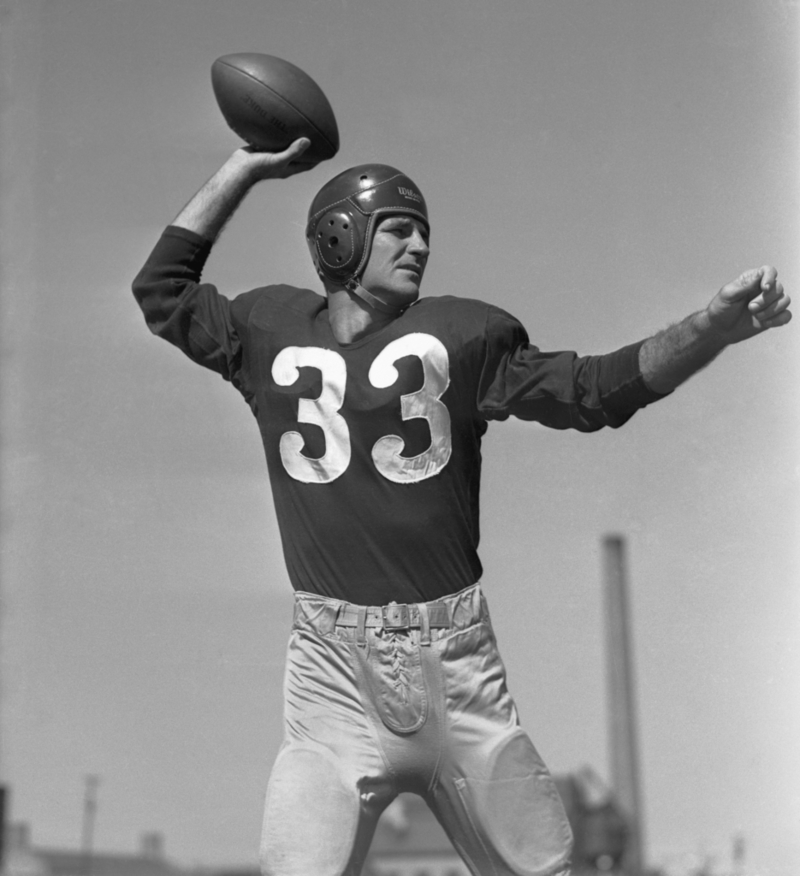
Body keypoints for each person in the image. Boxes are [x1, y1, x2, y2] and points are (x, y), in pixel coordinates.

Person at [132, 138, 791, 876]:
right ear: (340, 235)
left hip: (457, 664)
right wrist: (246, 165)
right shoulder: (268, 329)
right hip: (330, 680)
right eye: (399, 228)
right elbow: (161, 289)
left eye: (424, 233)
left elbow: (596, 392)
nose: (420, 245)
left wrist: (710, 330)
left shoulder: (464, 335)